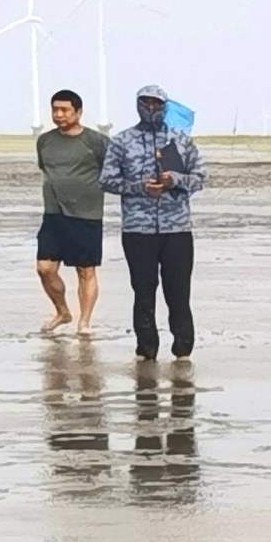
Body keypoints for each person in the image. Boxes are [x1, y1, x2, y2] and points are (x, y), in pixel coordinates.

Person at [101, 85, 205, 362]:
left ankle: (183, 348)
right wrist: (138, 187)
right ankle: (146, 348)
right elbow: (107, 180)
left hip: (177, 229)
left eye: (156, 104)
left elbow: (199, 178)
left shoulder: (181, 140)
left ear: (164, 106)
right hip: (138, 229)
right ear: (137, 105)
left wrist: (176, 180)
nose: (150, 108)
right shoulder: (121, 141)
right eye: (145, 103)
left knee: (178, 290)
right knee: (143, 289)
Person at [34, 87, 108, 335]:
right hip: (54, 215)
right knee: (44, 268)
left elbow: (112, 170)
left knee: (85, 270)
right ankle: (63, 311)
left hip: (86, 215)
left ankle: (84, 322)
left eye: (64, 110)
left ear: (78, 112)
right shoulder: (44, 141)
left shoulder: (96, 141)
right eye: (55, 110)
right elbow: (46, 169)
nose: (59, 114)